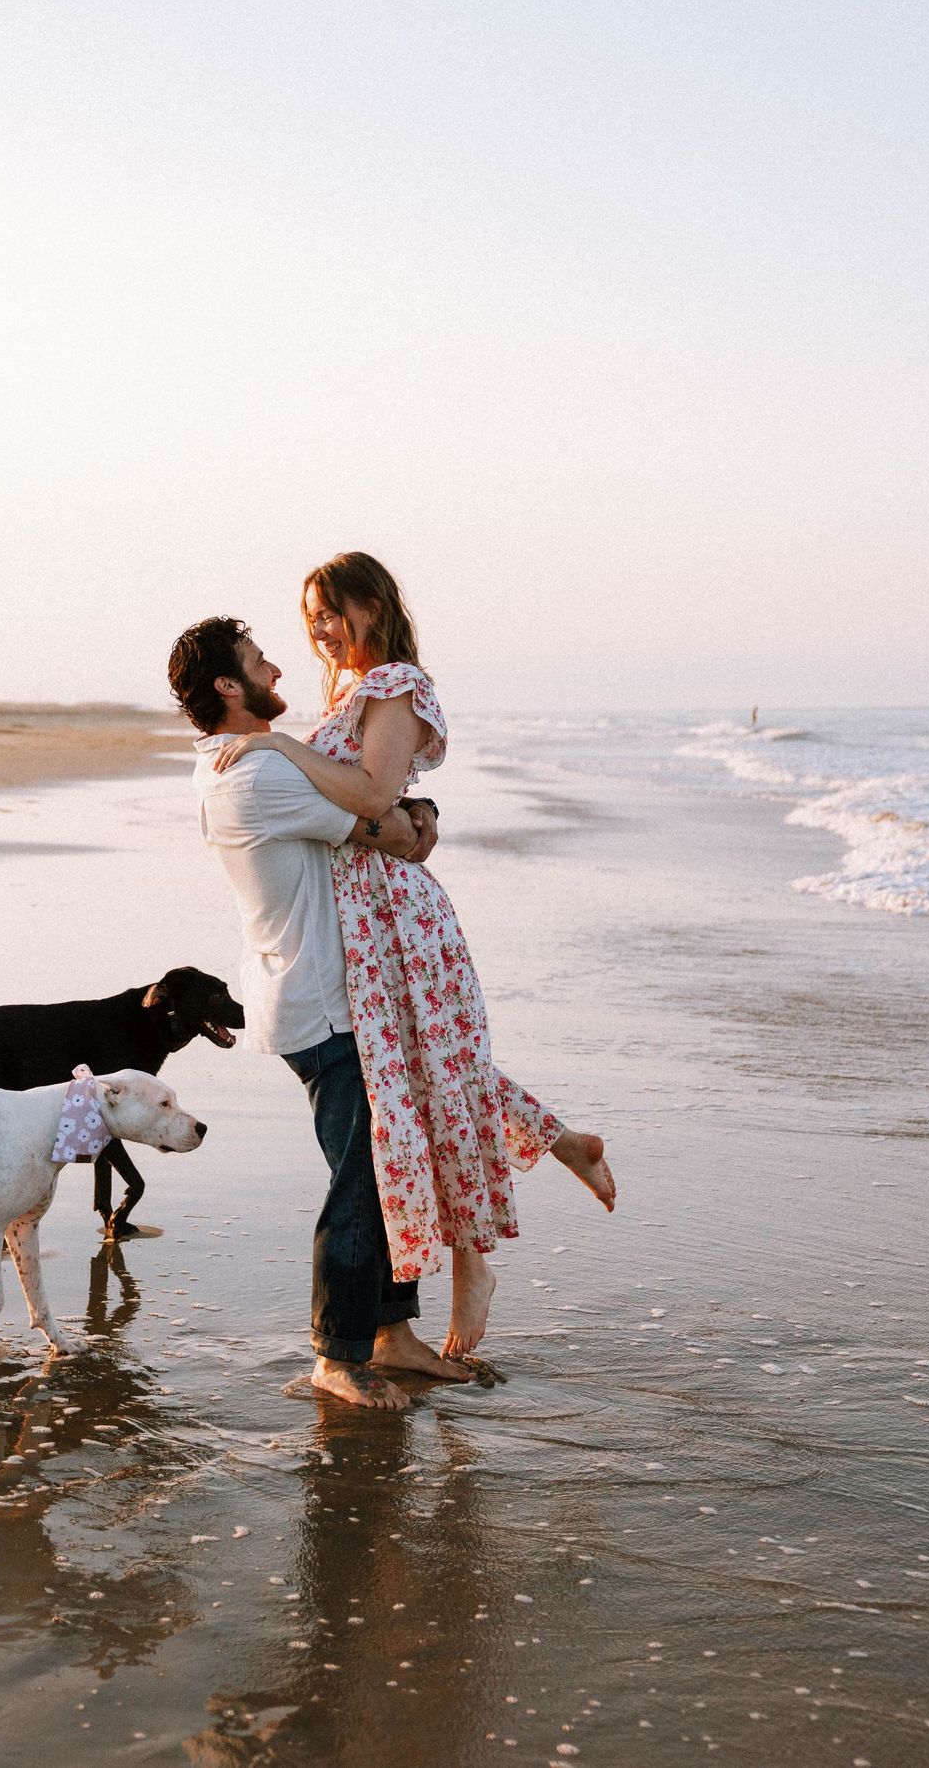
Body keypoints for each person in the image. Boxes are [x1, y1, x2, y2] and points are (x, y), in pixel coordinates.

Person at [210, 552, 615, 1359]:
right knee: (426, 1078)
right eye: (310, 619)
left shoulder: (394, 684)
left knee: (434, 1077)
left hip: (398, 918)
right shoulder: (347, 691)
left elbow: (370, 795)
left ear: (371, 604)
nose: (320, 632)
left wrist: (281, 749)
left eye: (330, 613)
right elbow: (380, 804)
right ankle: (559, 1149)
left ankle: (475, 1261)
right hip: (361, 922)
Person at [169, 615, 474, 1409]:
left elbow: (385, 816)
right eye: (259, 662)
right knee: (363, 1179)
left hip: (330, 997)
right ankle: (336, 1356)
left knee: (383, 1159)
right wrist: (418, 818)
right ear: (230, 688)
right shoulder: (256, 776)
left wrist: (415, 812)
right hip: (320, 1005)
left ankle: (391, 1335)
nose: (279, 667)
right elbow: (392, 824)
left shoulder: (234, 765)